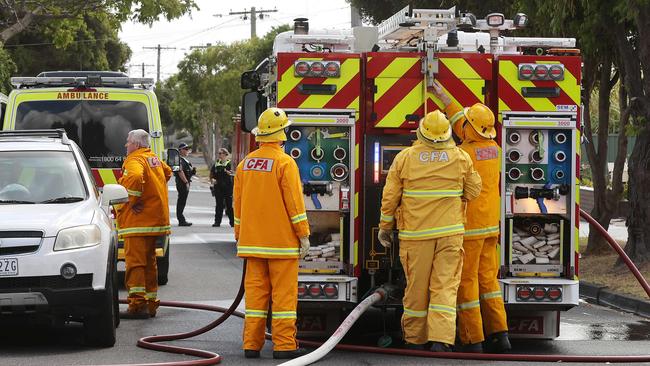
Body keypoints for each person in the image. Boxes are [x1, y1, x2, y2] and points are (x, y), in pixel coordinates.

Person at [378, 110, 482, 352]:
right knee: (445, 287)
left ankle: (414, 339)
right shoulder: (461, 157)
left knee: (416, 288)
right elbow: (474, 191)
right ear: (447, 134)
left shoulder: (405, 158)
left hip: (415, 236)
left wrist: (385, 228)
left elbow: (390, 197)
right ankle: (441, 341)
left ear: (421, 132)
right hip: (450, 235)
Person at [431, 80, 511, 353]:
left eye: (465, 123)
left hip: (470, 230)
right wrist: (442, 95)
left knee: (467, 282)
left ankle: (473, 338)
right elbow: (463, 126)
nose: (461, 125)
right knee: (489, 282)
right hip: (490, 228)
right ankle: (500, 334)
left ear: (470, 128)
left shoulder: (462, 155)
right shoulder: (495, 150)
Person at [233, 107, 311, 360]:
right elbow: (295, 204)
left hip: (253, 244)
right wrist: (303, 234)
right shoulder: (285, 163)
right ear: (281, 134)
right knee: (283, 299)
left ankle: (251, 346)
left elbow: (237, 204)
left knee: (255, 299)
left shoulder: (246, 164)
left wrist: (240, 235)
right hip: (282, 245)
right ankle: (284, 345)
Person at [117, 129, 172, 319]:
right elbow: (167, 172)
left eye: (128, 142)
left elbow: (133, 178)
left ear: (137, 144)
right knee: (150, 264)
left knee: (135, 264)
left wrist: (132, 201)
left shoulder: (134, 160)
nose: (126, 145)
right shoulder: (152, 158)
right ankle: (150, 304)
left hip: (138, 223)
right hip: (155, 221)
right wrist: (149, 196)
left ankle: (137, 305)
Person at [210, 147, 234, 227]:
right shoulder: (216, 164)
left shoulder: (230, 164)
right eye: (218, 153)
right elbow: (212, 175)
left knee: (229, 205)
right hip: (218, 187)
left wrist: (229, 173)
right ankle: (217, 222)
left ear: (225, 154)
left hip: (228, 187)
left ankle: (232, 222)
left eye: (221, 153)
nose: (219, 155)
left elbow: (233, 173)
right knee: (219, 205)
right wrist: (212, 180)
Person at [174, 142, 195, 226]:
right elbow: (180, 171)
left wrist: (192, 172)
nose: (187, 150)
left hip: (184, 182)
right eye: (185, 149)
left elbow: (186, 171)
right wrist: (186, 182)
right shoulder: (179, 159)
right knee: (181, 201)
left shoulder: (183, 159)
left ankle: (181, 219)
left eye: (187, 149)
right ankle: (181, 220)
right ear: (180, 150)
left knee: (182, 201)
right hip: (182, 183)